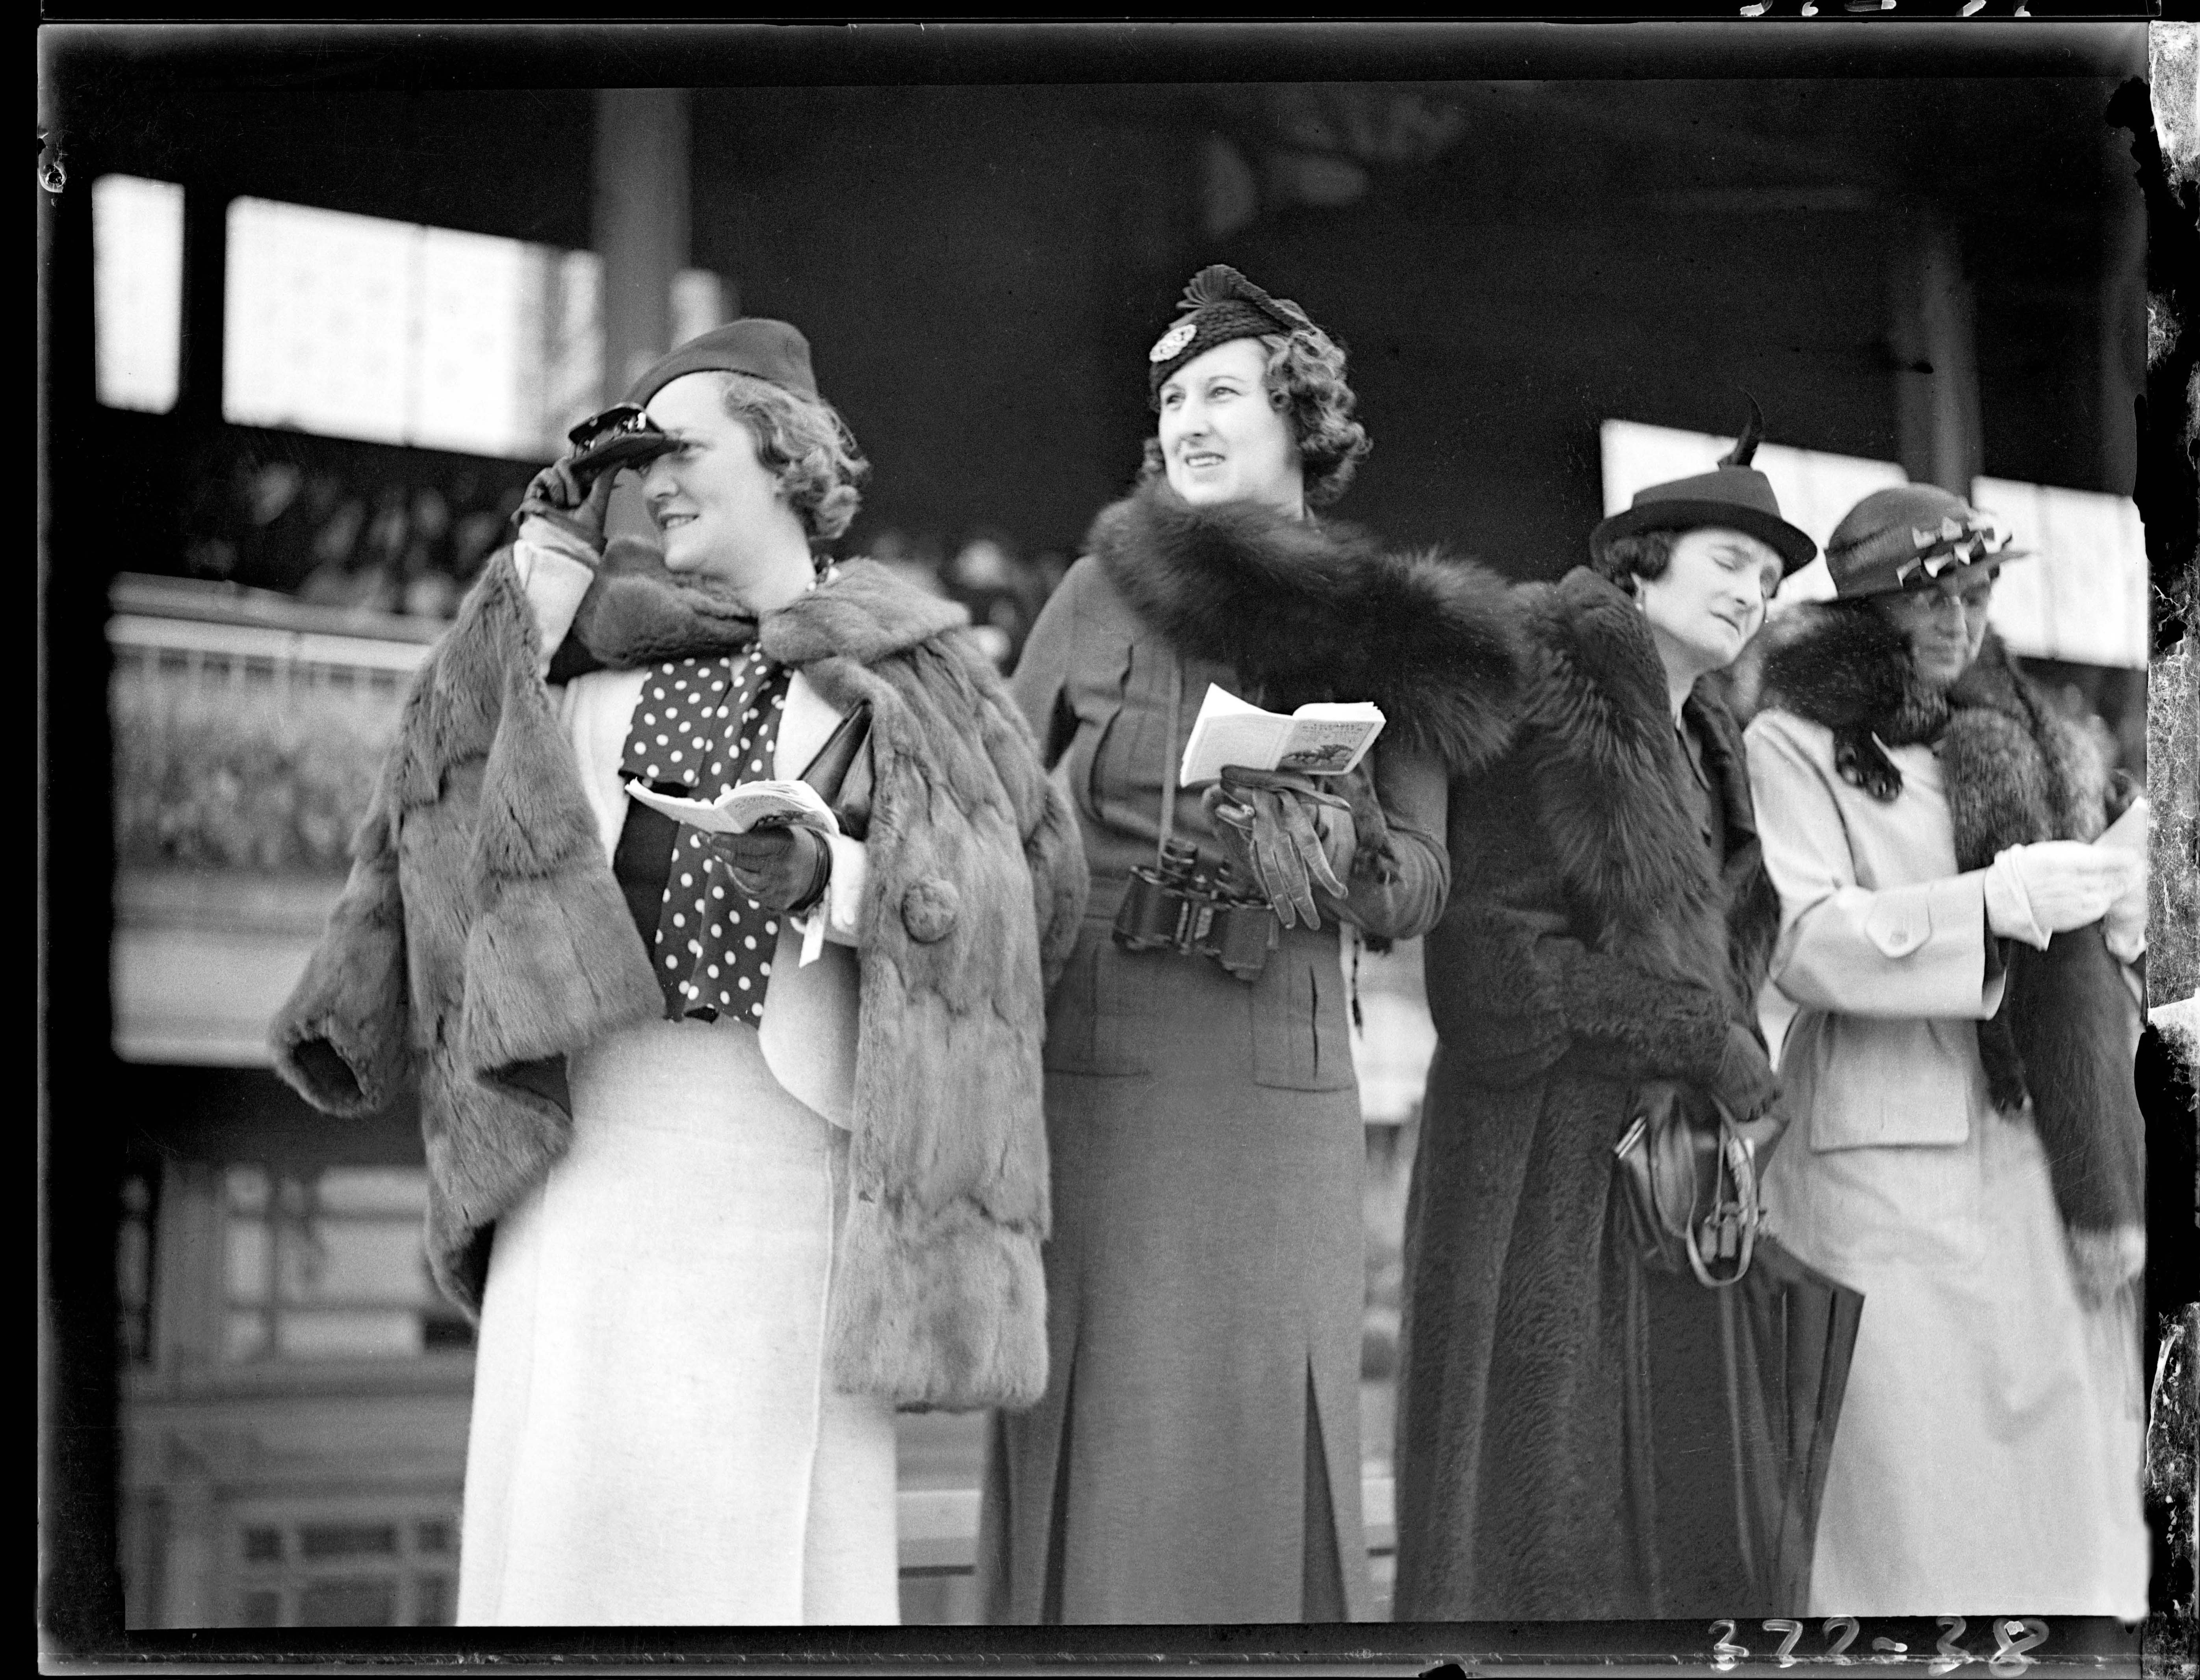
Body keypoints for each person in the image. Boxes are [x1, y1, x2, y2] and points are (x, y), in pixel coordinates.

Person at [270, 319, 1087, 1625]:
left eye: (682, 447)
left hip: (784, 1157)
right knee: (576, 1551)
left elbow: (1034, 903)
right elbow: (434, 805)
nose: (652, 481)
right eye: (634, 457)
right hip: (593, 1156)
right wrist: (541, 560)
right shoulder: (580, 665)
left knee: (764, 1573)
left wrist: (845, 884)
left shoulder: (914, 676)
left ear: (782, 453)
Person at [977, 265, 1523, 1623]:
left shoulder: (1385, 627)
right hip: (1099, 1069)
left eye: (1222, 391)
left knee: (1261, 1435)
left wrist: (1321, 835)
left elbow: (1421, 884)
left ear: (1300, 420)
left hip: (1279, 1076)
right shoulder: (1094, 598)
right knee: (1105, 1442)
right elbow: (982, 800)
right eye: (1171, 399)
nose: (1190, 420)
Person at [1392, 417, 1814, 1619]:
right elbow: (1493, 970)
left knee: (1654, 1530)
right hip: (1540, 1176)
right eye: (1730, 561)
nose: (1755, 593)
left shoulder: (1704, 736)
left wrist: (1721, 1053)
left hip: (1665, 1181)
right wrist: (1701, 1039)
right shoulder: (1553, 688)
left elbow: (1724, 951)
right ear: (1642, 559)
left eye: (1772, 582)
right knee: (1538, 1530)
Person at [1743, 483, 2149, 1616]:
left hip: (2029, 1146)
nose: (1958, 624)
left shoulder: (2017, 734)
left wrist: (2112, 907)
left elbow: (2070, 945)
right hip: (1879, 1151)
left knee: (2051, 1457)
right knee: (1901, 1477)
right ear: (1864, 606)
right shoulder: (1789, 740)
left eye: (1975, 596)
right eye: (1929, 601)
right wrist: (1988, 904)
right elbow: (1803, 941)